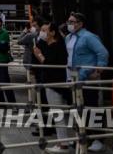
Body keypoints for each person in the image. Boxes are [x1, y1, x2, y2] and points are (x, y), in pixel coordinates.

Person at [65, 12, 109, 152]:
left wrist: (99, 70)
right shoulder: (68, 37)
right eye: (69, 21)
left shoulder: (89, 37)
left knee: (92, 107)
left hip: (87, 77)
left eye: (72, 21)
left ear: (80, 23)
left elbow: (102, 52)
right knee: (77, 109)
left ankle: (98, 139)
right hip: (73, 77)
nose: (69, 24)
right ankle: (82, 136)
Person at [32, 21, 70, 154]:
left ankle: (63, 144)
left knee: (58, 112)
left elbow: (49, 63)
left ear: (53, 32)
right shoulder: (47, 44)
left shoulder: (57, 45)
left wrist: (40, 56)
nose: (43, 32)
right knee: (59, 113)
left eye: (46, 30)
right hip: (50, 82)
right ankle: (64, 140)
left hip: (55, 83)